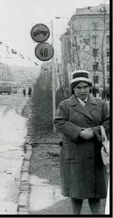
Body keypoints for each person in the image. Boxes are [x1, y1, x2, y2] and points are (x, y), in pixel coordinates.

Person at [54, 70, 110, 215]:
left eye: (85, 87)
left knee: (95, 190)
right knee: (76, 190)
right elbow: (59, 122)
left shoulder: (100, 104)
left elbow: (108, 121)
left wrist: (94, 131)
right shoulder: (65, 105)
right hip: (74, 153)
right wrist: (79, 132)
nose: (83, 90)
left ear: (90, 87)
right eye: (78, 87)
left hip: (95, 152)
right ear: (73, 88)